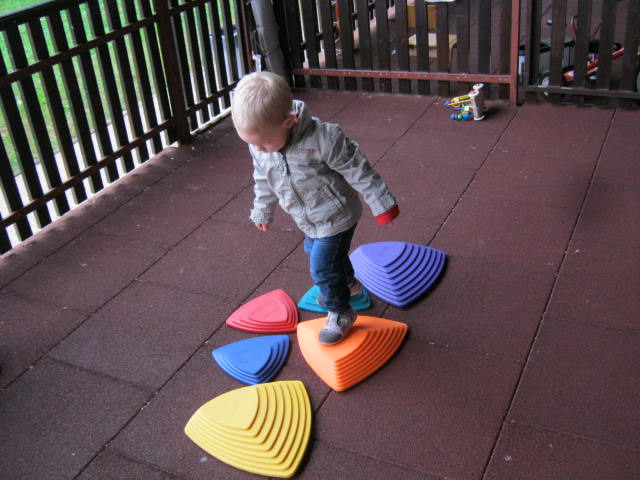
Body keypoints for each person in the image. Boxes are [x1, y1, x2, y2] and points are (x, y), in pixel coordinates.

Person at [231, 71, 399, 345]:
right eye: (252, 144)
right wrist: (263, 209)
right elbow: (263, 177)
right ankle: (348, 284)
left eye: (263, 143)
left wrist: (382, 204)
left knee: (321, 268)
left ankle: (341, 311)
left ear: (289, 122)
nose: (259, 150)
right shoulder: (262, 146)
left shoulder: (323, 139)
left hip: (337, 216)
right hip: (307, 218)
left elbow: (359, 170)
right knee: (321, 255)